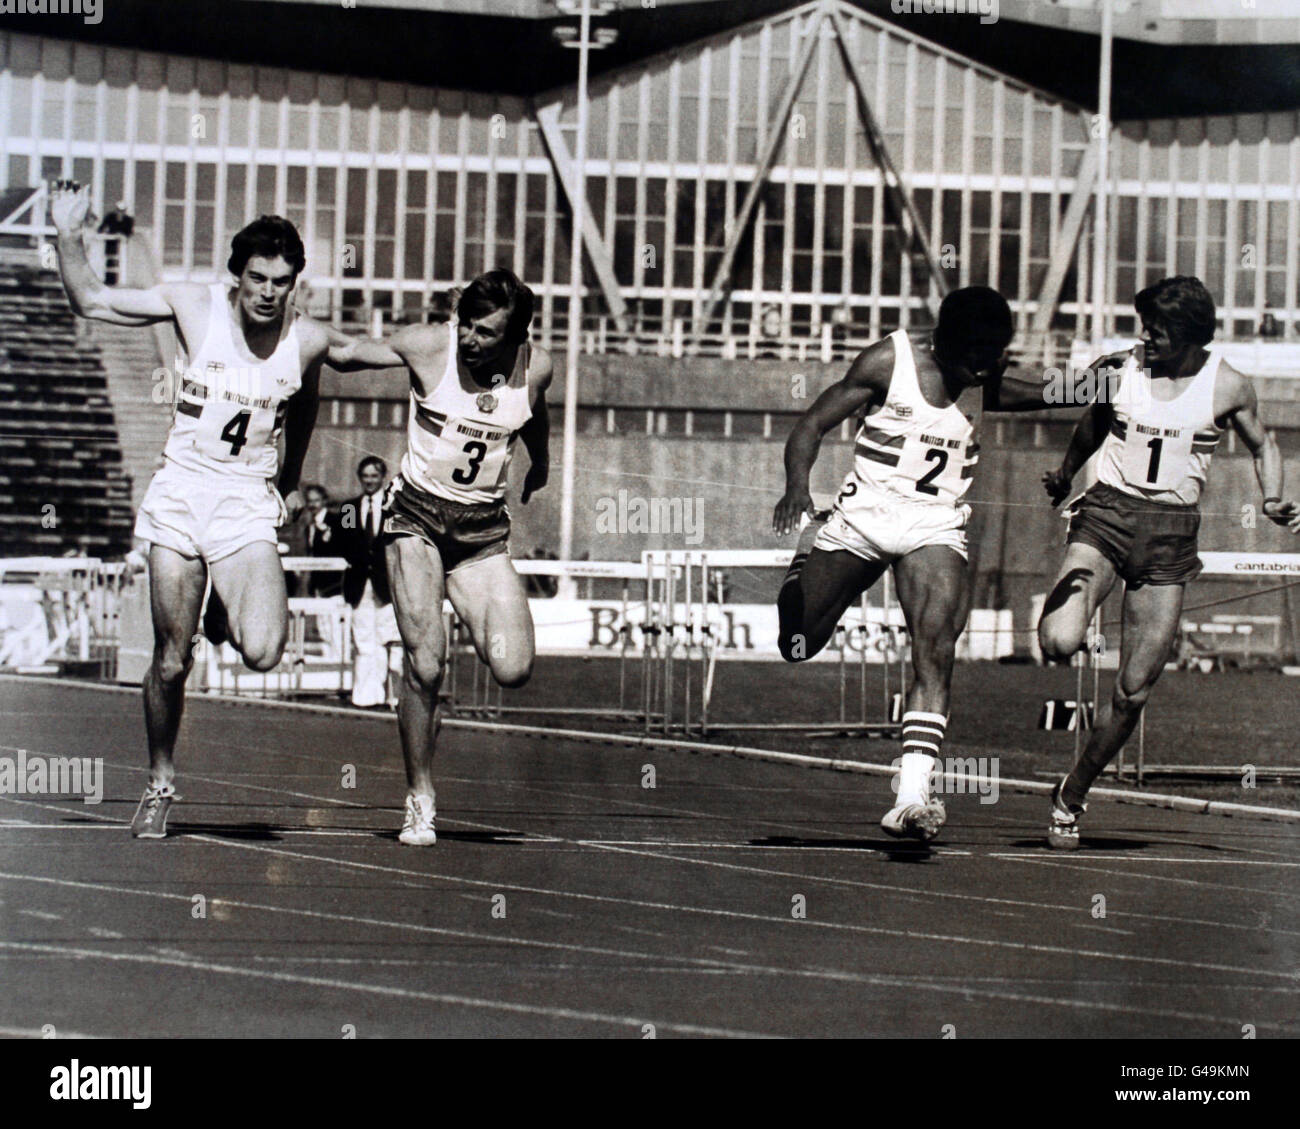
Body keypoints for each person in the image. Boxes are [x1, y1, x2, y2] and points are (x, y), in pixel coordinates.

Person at [50, 180, 336, 839]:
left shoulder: (304, 340)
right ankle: (159, 780)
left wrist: (290, 479)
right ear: (236, 276)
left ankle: (225, 610)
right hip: (182, 493)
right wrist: (68, 234)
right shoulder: (191, 305)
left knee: (264, 652)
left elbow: (309, 404)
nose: (270, 292)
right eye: (259, 278)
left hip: (242, 502)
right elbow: (90, 298)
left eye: (283, 281)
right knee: (172, 659)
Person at [773, 287, 1067, 842]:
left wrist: (1125, 377)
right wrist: (796, 488)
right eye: (975, 362)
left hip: (934, 525)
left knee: (935, 650)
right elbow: (811, 425)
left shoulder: (989, 376)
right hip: (862, 516)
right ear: (944, 344)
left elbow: (1067, 389)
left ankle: (910, 799)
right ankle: (804, 557)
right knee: (797, 641)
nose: (984, 373)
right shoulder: (889, 361)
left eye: (994, 360)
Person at [1037, 276, 1300, 849]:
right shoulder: (1119, 367)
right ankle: (1079, 612)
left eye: (1156, 329)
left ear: (1187, 335)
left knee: (1133, 691)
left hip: (1171, 535)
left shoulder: (1227, 383)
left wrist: (1272, 497)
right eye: (1143, 325)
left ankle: (1071, 795)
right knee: (1058, 641)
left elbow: (1265, 444)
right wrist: (1065, 472)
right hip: (1106, 513)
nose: (1145, 336)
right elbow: (1093, 421)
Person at [328, 269, 553, 844]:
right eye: (467, 326)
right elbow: (349, 352)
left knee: (513, 667)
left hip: (480, 536)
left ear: (516, 337)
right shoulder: (431, 347)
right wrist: (293, 337)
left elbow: (535, 412)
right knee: (426, 664)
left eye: (486, 333)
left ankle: (457, 608)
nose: (471, 340)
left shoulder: (538, 366)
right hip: (417, 520)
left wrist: (542, 461)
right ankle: (420, 795)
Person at [332, 456, 400, 708]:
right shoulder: (350, 508)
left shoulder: (393, 506)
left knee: (385, 638)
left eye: (374, 476)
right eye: (365, 476)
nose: (369, 481)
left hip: (386, 585)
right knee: (363, 639)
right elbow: (344, 541)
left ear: (382, 477)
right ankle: (363, 696)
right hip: (360, 584)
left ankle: (385, 694)